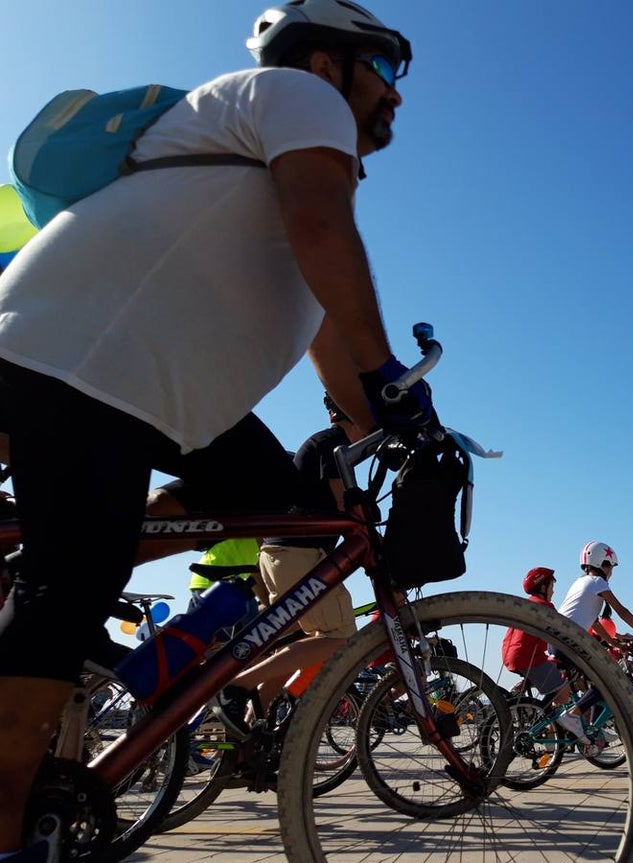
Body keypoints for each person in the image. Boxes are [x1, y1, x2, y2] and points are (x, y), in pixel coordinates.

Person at [0, 3, 434, 858]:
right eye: (383, 70)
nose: (395, 97)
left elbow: (326, 343)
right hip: (84, 359)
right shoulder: (300, 103)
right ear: (326, 63)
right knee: (69, 584)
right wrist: (391, 375)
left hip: (148, 387)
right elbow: (323, 230)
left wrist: (381, 419)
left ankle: (74, 546)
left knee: (282, 497)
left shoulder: (286, 178)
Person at [216, 395, 365, 726]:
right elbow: (346, 506)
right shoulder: (333, 443)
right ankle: (238, 684)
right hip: (301, 555)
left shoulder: (323, 442)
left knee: (294, 641)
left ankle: (254, 725)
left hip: (281, 555)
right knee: (338, 638)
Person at [555, 541, 633, 751]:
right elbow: (622, 610)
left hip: (560, 640)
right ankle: (573, 715)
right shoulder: (597, 583)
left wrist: (614, 643)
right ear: (602, 563)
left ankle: (589, 734)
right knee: (611, 681)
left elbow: (593, 621)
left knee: (600, 681)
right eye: (611, 566)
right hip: (569, 642)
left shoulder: (580, 583)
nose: (611, 572)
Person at [501, 567, 590, 748]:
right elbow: (563, 632)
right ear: (543, 587)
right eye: (551, 585)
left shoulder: (528, 603)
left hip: (512, 655)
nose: (553, 590)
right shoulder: (544, 607)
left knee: (552, 689)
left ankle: (547, 728)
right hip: (528, 657)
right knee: (563, 693)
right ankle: (546, 728)